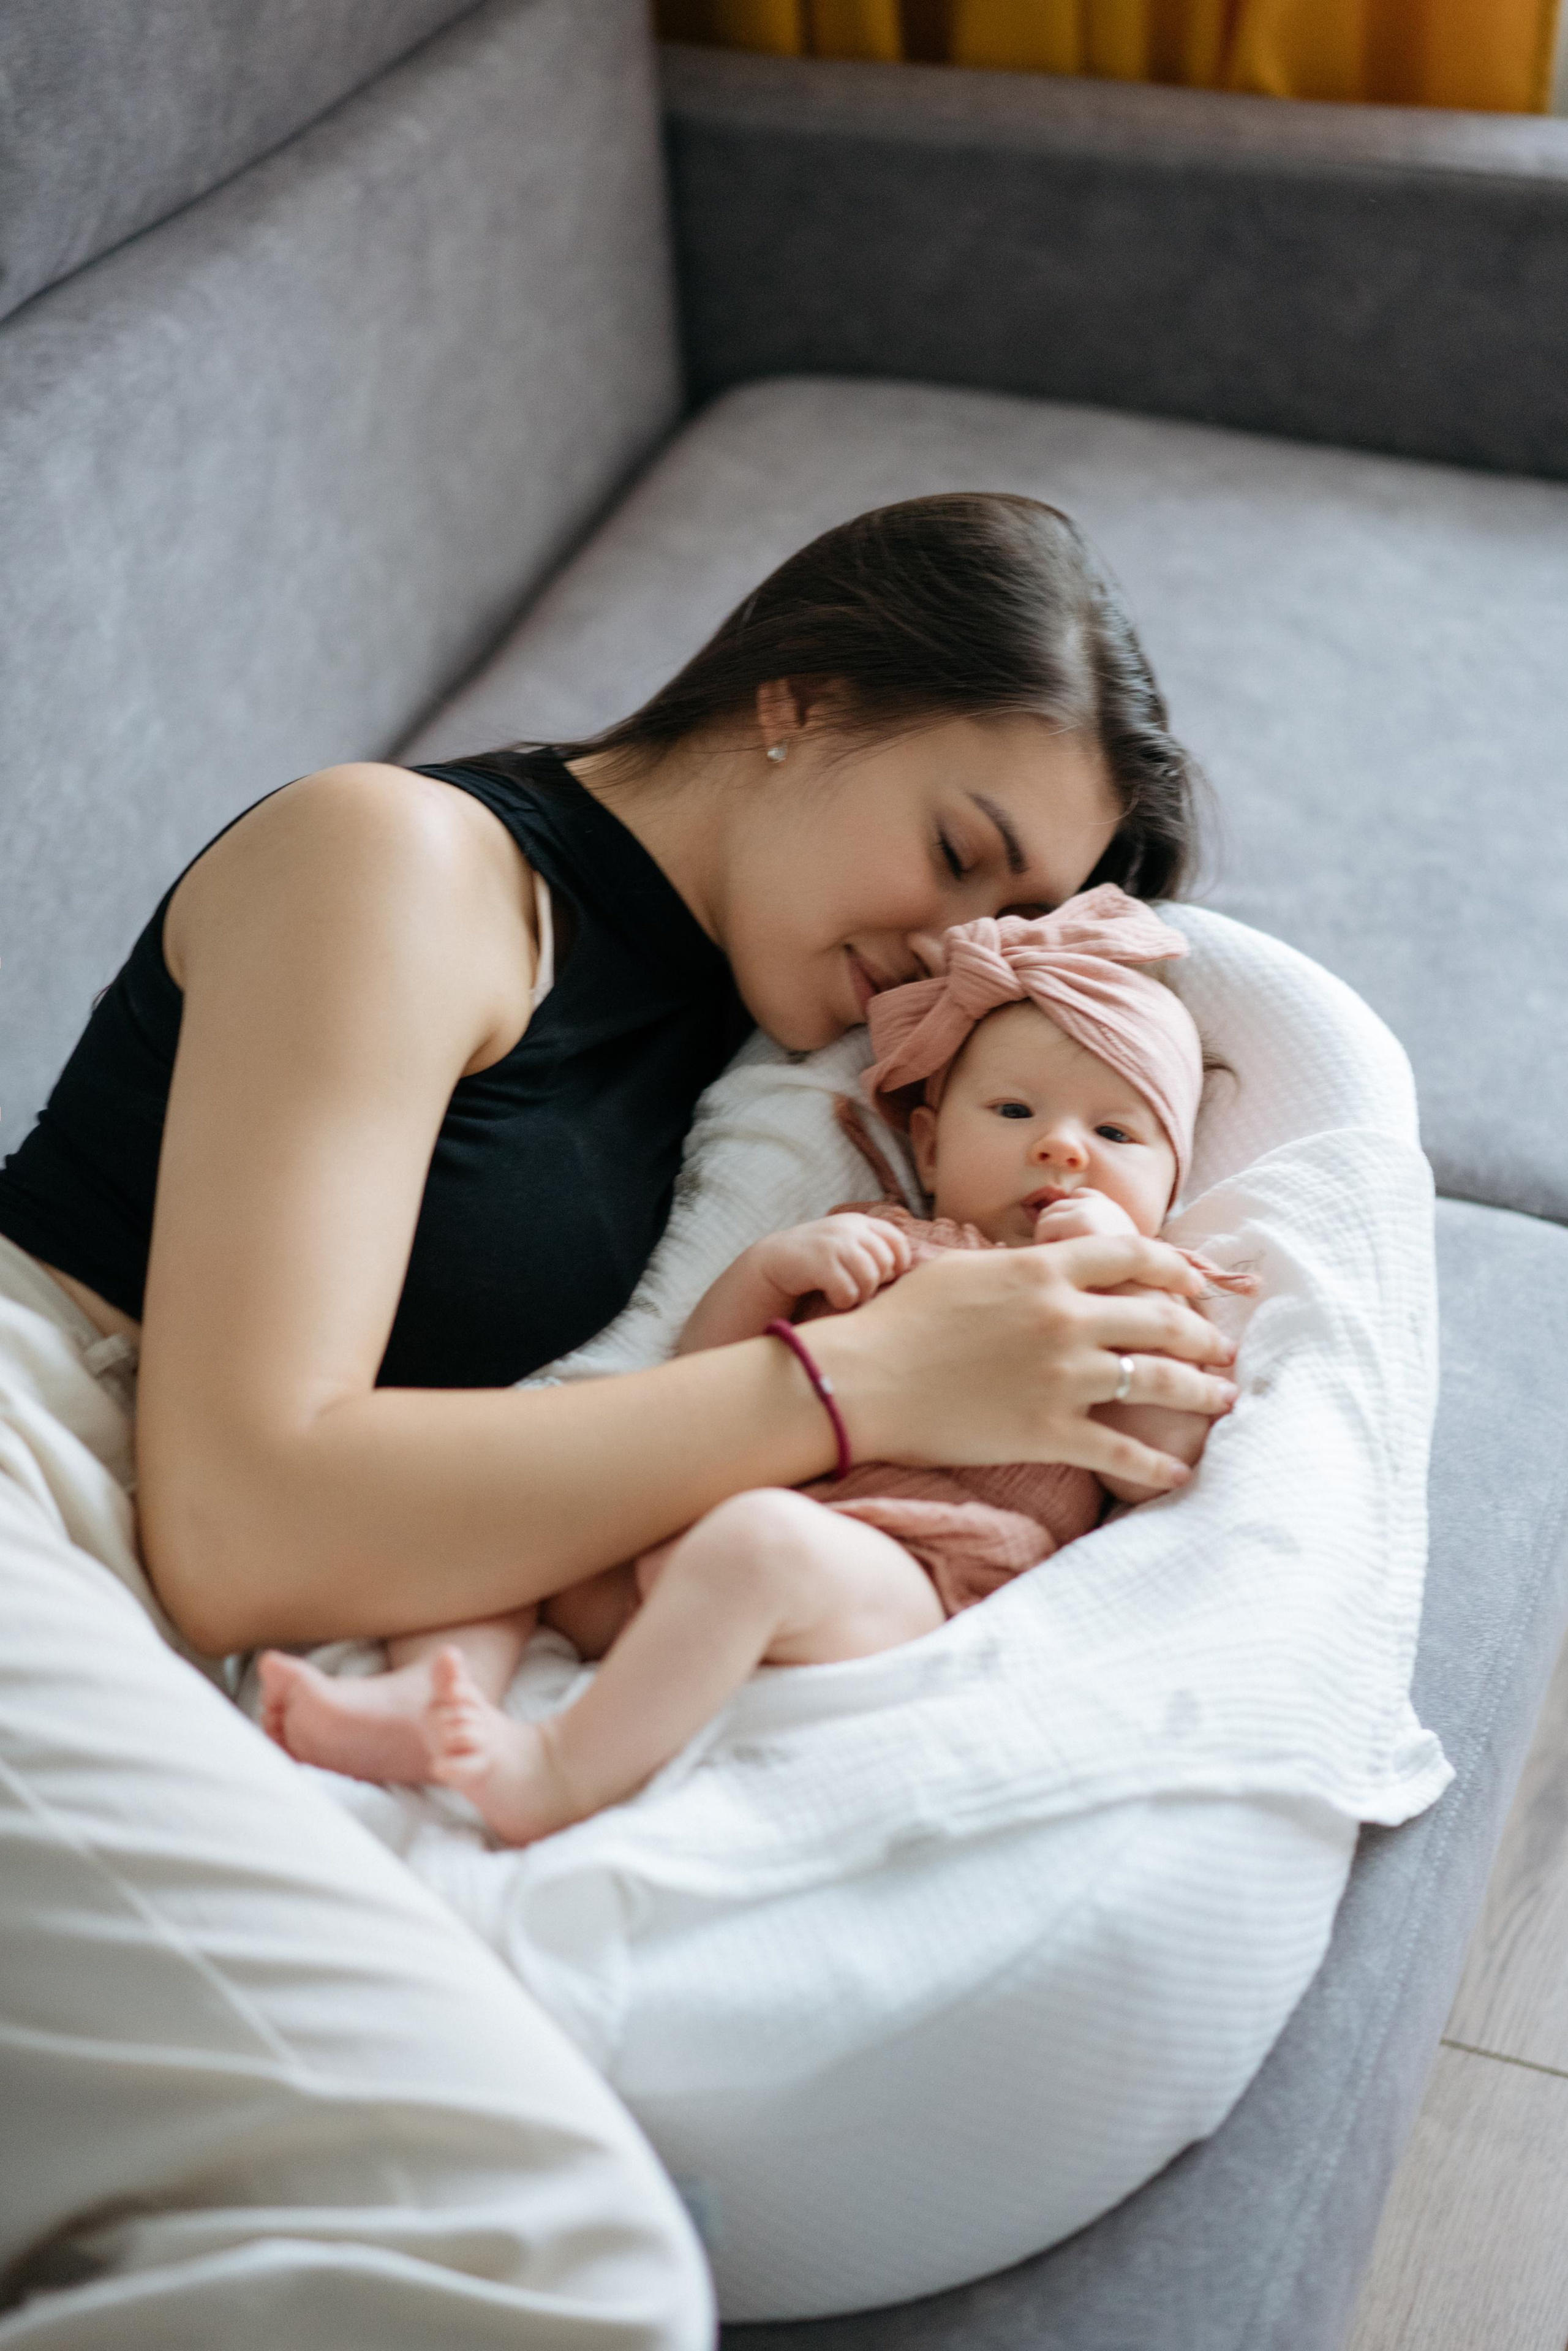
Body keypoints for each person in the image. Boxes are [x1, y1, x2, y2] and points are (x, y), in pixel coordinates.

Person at [0, 494, 1238, 2344]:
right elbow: (241, 1525)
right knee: (548, 2245)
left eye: (1006, 922)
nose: (949, 948)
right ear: (799, 696)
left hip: (165, 1598)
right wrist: (855, 1387)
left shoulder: (776, 1056)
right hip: (42, 1444)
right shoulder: (400, 861)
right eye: (954, 850)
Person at [255, 885, 1250, 1844]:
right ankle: (432, 1690)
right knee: (526, 1488)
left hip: (918, 1569)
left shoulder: (1142, 1294)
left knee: (758, 1545)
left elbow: (1160, 1455)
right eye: (1015, 1111)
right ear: (931, 1146)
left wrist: (1124, 1282)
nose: (1062, 1151)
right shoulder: (879, 1241)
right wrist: (770, 1271)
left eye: (1115, 1133)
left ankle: (558, 1770)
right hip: (701, 1532)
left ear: (1172, 1183)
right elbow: (704, 1377)